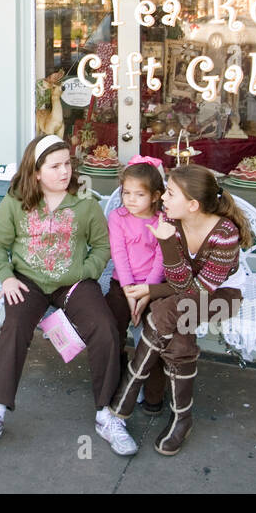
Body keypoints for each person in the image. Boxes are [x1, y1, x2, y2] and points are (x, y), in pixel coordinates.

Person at [0, 134, 136, 455]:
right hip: (27, 281)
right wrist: (6, 278)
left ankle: (107, 414)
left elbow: (102, 246)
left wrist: (87, 272)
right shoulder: (16, 202)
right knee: (14, 327)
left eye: (67, 164)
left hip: (72, 282)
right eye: (55, 166)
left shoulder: (85, 204)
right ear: (36, 172)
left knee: (105, 329)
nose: (64, 171)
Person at [105, 163, 253, 456]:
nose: (163, 200)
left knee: (165, 313)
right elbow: (178, 283)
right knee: (179, 332)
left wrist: (150, 287)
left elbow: (197, 291)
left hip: (223, 296)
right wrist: (151, 285)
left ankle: (126, 397)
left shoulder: (224, 233)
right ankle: (181, 417)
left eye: (170, 194)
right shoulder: (171, 222)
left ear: (193, 204)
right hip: (181, 295)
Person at [105, 155, 171, 413]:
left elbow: (161, 259)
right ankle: (117, 385)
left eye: (139, 194)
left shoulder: (163, 221)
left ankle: (153, 395)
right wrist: (129, 292)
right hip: (122, 285)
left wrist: (147, 292)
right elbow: (119, 255)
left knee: (153, 338)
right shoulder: (117, 217)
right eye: (126, 193)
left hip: (153, 288)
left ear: (155, 196)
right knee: (111, 330)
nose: (130, 199)